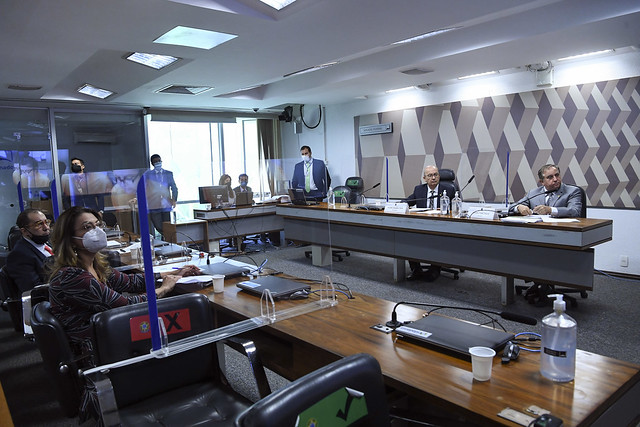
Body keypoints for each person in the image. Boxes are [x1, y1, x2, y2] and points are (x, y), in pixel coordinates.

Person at [403, 165, 456, 282]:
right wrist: (398, 205)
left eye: (435, 175)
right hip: (422, 225)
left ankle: (435, 269)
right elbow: (409, 201)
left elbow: (456, 208)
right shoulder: (419, 189)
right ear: (424, 178)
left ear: (439, 176)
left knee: (438, 240)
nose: (433, 178)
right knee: (408, 237)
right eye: (430, 175)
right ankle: (416, 270)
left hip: (442, 226)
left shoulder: (449, 189)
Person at [5, 209, 53, 294]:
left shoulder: (48, 243)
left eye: (46, 222)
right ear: (24, 231)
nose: (46, 228)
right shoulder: (19, 256)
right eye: (39, 224)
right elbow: (34, 290)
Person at [508, 164, 582, 218]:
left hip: (563, 230)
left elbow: (575, 211)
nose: (555, 179)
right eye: (550, 177)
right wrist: (518, 207)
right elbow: (511, 208)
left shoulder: (572, 191)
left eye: (557, 175)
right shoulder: (533, 193)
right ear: (542, 182)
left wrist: (550, 210)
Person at [143, 154, 178, 238]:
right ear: (152, 163)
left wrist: (174, 199)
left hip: (166, 204)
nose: (158, 163)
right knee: (158, 226)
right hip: (154, 205)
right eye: (155, 162)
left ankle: (167, 240)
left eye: (159, 161)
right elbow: (145, 189)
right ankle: (166, 237)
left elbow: (174, 187)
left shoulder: (168, 173)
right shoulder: (148, 175)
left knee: (167, 225)